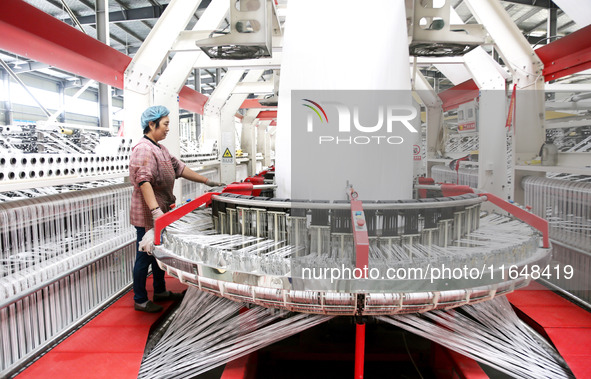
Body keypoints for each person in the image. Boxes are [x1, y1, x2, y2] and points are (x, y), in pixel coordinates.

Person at [130, 105, 225, 312]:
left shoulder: (160, 149)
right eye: (165, 124)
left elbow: (180, 168)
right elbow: (143, 181)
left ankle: (160, 290)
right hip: (148, 213)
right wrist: (155, 211)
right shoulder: (143, 149)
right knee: (144, 255)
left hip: (161, 211)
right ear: (151, 124)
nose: (167, 129)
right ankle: (139, 299)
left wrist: (208, 182)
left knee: (158, 252)